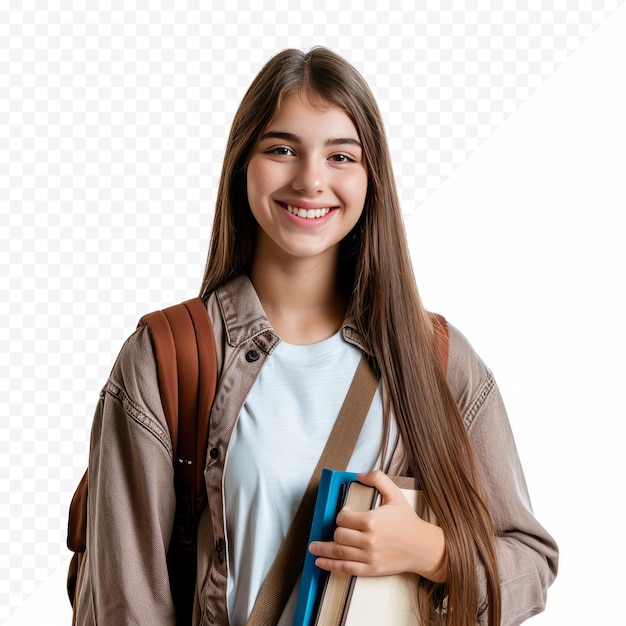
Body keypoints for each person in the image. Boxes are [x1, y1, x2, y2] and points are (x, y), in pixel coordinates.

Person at [73, 47, 558, 625]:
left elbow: (529, 563)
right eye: (281, 149)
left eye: (340, 156)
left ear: (370, 177)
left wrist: (433, 553)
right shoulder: (168, 357)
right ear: (241, 165)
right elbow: (126, 605)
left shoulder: (436, 361)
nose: (310, 180)